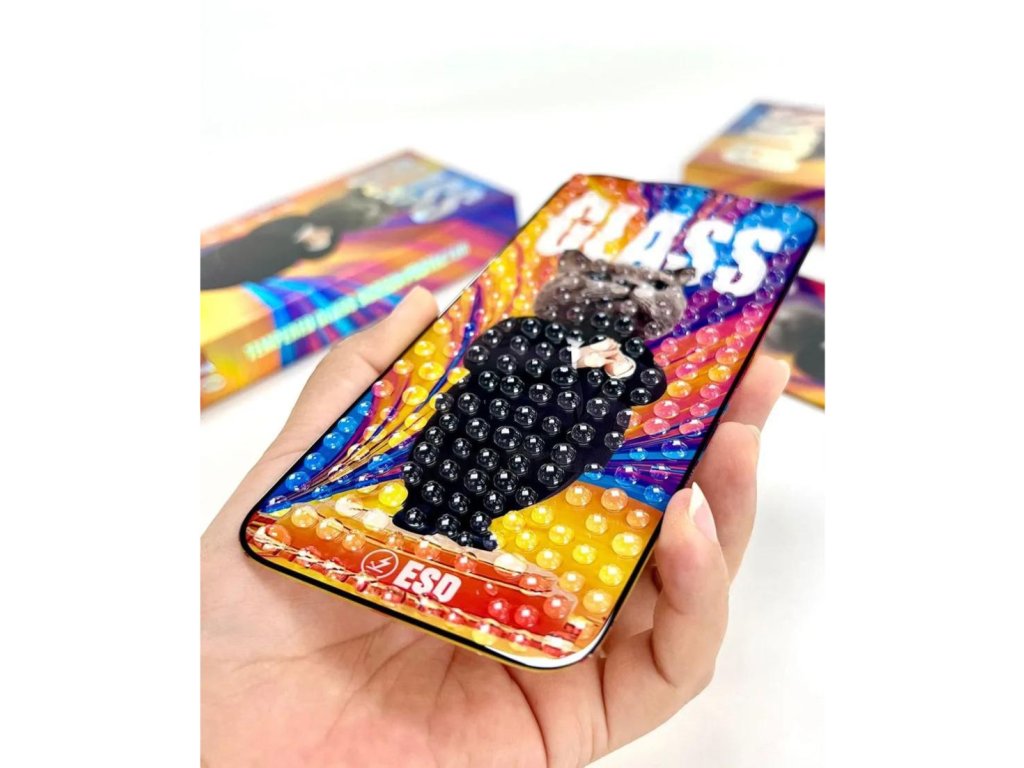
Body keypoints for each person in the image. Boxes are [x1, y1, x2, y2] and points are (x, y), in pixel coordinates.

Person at [201, 287, 791, 767]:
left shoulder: (631, 353)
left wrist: (621, 369)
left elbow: (646, 387)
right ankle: (427, 512)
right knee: (455, 463)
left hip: (549, 451)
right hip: (482, 422)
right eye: (611, 295)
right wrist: (570, 362)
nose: (624, 310)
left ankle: (469, 521)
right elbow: (488, 355)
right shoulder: (533, 329)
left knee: (515, 485)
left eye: (643, 304)